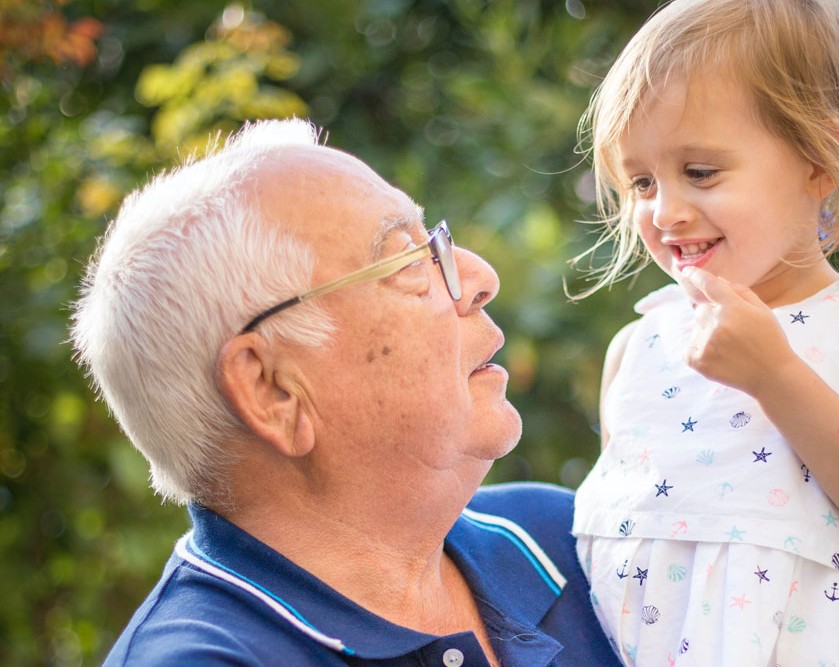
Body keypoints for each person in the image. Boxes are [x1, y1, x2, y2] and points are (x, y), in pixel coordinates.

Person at [71, 118, 621, 666]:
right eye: (406, 259)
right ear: (272, 390)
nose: (480, 277)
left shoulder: (569, 539)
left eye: (435, 242)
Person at [569, 0, 839, 665]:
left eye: (699, 172)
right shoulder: (638, 348)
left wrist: (776, 375)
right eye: (640, 181)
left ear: (818, 159)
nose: (666, 211)